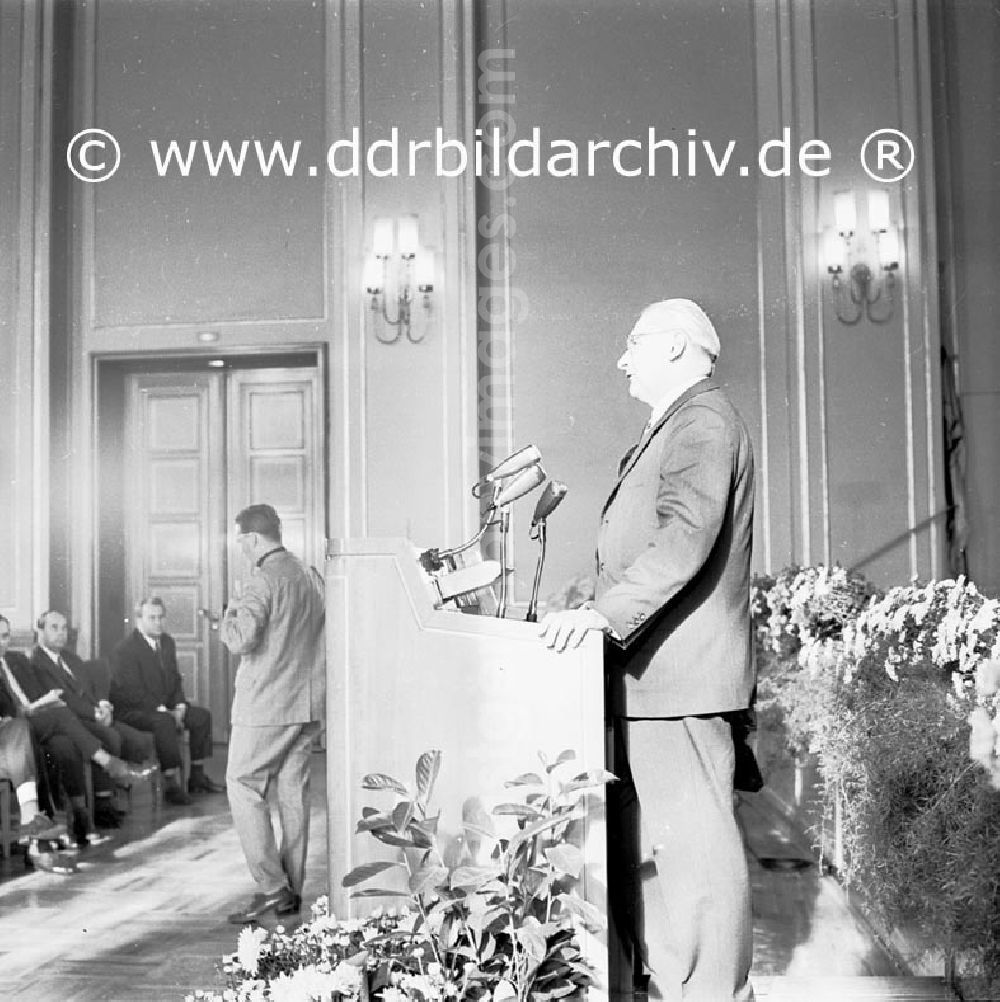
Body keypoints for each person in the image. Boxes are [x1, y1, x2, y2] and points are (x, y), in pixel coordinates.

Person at [539, 299, 755, 1002]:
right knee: (662, 867)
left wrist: (604, 616)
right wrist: (589, 607)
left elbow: (684, 539)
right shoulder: (679, 423)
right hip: (652, 681)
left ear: (675, 347)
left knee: (693, 867)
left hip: (679, 684)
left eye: (634, 344)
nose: (623, 359)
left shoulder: (701, 421)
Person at [220, 503, 325, 924]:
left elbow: (240, 640)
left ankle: (271, 886)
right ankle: (290, 891)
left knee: (241, 783)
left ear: (251, 538)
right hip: (306, 705)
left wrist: (229, 614)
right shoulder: (309, 575)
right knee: (292, 795)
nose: (242, 549)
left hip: (266, 706)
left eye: (241, 541)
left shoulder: (261, 580)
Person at [1, 614, 152, 847]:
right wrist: (38, 706)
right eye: (0, 637)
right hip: (16, 729)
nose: (4, 642)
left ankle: (78, 819)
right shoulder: (33, 659)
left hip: (36, 720)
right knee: (63, 716)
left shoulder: (15, 660)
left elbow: (30, 699)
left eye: (6, 636)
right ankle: (111, 764)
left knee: (64, 743)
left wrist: (44, 703)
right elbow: (15, 712)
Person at [109, 597, 225, 805]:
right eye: (151, 618)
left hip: (165, 707)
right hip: (134, 710)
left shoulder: (167, 642)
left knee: (201, 717)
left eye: (161, 617)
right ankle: (171, 782)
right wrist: (164, 710)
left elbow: (174, 679)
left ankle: (196, 777)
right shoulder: (124, 649)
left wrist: (180, 705)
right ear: (138, 620)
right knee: (164, 722)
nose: (158, 622)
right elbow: (132, 692)